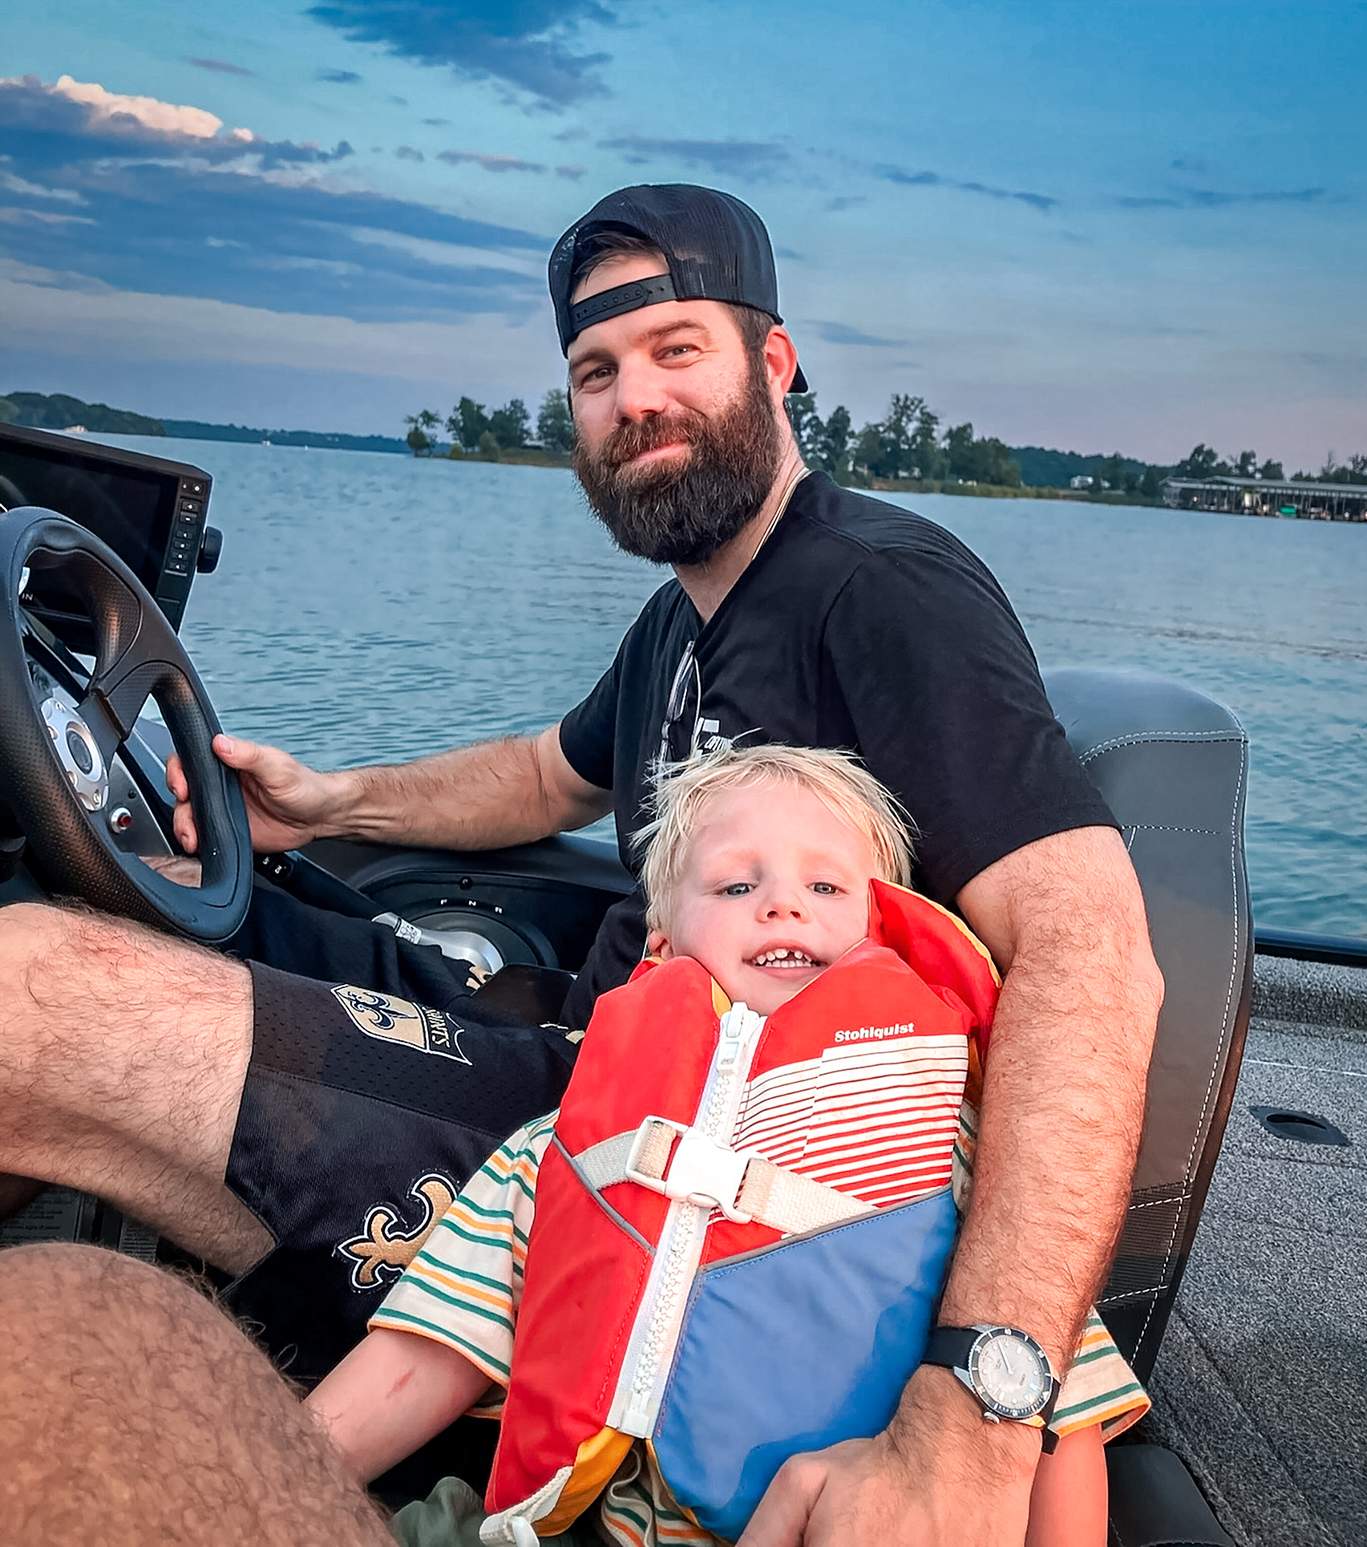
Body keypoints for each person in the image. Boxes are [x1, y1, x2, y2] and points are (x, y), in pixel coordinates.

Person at [0, 183, 1162, 1544]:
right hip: (581, 1038)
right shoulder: (687, 614)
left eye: (679, 350)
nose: (633, 399)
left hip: (640, 1141)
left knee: (29, 989)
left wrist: (976, 1409)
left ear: (773, 365)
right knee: (119, 889)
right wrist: (330, 802)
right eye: (598, 372)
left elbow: (1096, 952)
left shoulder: (882, 590)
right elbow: (549, 773)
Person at [308, 744, 1150, 1547]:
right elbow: (414, 1366)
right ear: (662, 943)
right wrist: (285, 1478)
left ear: (884, 937)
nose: (782, 902)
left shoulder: (951, 1161)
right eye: (736, 882)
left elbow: (1049, 1412)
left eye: (825, 884)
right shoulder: (568, 1151)